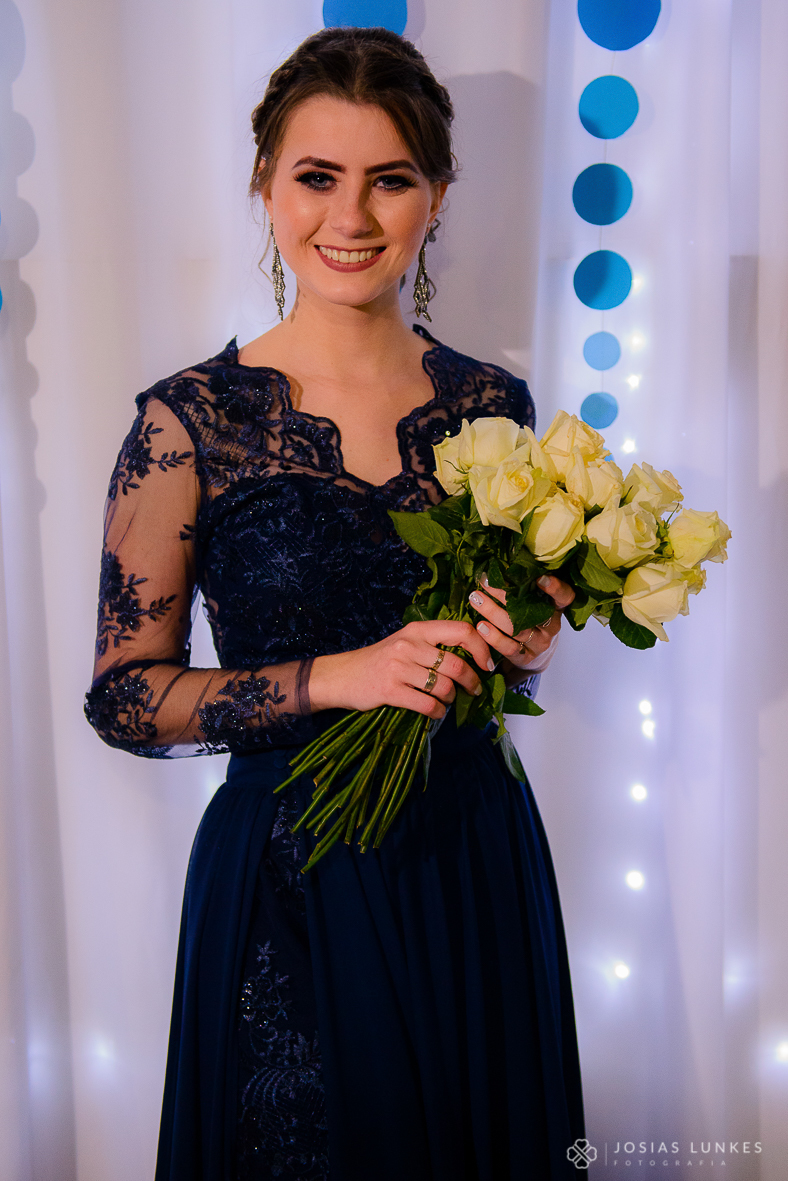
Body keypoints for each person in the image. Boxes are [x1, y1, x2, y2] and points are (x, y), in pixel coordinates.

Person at [85, 25, 584, 1181]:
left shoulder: (490, 403)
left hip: (470, 854)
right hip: (284, 883)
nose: (349, 218)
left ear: (437, 196)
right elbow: (123, 697)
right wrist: (334, 677)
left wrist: (525, 644)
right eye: (317, 177)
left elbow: (496, 663)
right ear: (265, 185)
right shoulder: (187, 420)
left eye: (389, 179)